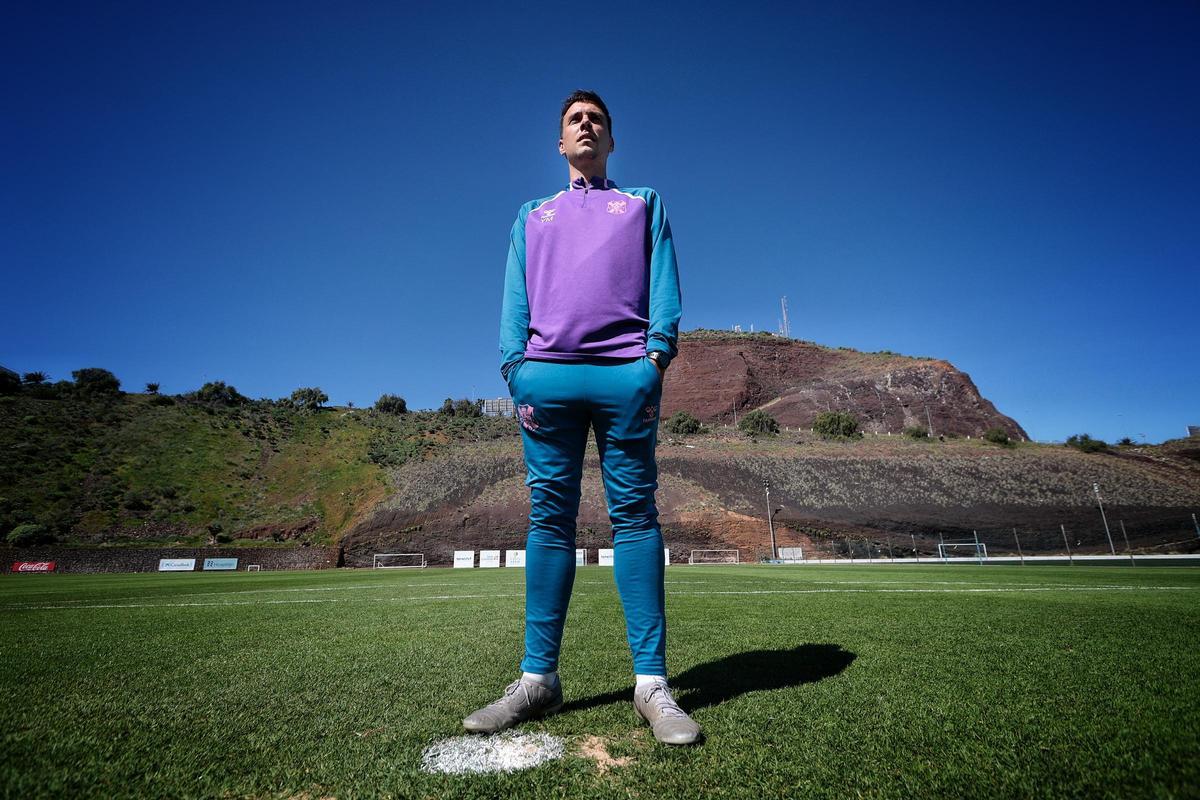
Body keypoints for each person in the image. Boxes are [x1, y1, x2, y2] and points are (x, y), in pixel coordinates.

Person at [464, 90, 698, 745]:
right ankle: (538, 679)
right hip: (547, 379)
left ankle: (651, 684)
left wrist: (656, 358)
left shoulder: (642, 204)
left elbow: (666, 286)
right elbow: (515, 294)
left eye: (597, 119)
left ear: (611, 140)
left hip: (626, 375)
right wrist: (516, 367)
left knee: (635, 516)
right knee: (549, 518)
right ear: (561, 143)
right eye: (575, 120)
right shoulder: (531, 216)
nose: (587, 125)